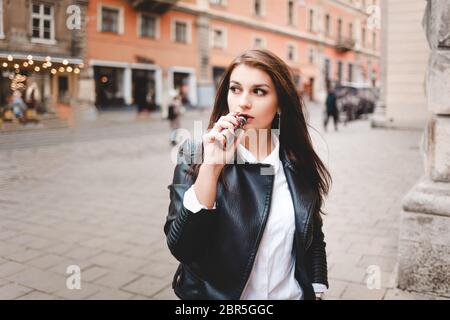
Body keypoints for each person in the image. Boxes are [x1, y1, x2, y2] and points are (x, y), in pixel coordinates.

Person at [164, 49, 331, 300]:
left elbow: (312, 234)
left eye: (259, 91)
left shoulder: (297, 160)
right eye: (235, 89)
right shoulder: (195, 153)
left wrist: (317, 288)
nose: (243, 102)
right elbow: (183, 248)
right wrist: (211, 168)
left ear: (280, 104)